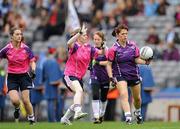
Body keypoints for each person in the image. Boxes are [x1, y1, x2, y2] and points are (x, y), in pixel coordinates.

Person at [107, 24, 152, 124]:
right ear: (117, 35)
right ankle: (128, 117)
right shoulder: (113, 49)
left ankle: (138, 113)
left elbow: (136, 59)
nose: (125, 36)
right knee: (124, 95)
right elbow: (109, 64)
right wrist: (111, 77)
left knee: (137, 98)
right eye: (123, 34)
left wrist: (146, 62)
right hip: (120, 75)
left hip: (133, 74)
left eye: (126, 34)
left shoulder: (133, 45)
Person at [60, 24, 104, 125]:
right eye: (84, 35)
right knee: (79, 91)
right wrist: (79, 32)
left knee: (79, 98)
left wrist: (104, 46)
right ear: (78, 36)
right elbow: (69, 42)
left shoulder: (89, 47)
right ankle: (77, 112)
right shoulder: (75, 46)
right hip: (69, 74)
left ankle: (65, 118)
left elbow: (102, 52)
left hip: (79, 77)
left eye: (86, 35)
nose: (86, 36)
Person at [0, 27, 36, 124]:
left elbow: (32, 61)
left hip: (24, 76)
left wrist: (33, 70)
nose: (19, 36)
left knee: (25, 100)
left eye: (20, 34)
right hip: (12, 77)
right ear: (11, 36)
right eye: (17, 34)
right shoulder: (6, 49)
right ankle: (17, 108)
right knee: (15, 101)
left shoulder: (26, 48)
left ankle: (31, 118)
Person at [90, 31, 109, 124]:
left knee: (104, 97)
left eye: (98, 39)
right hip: (94, 75)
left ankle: (102, 114)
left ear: (102, 40)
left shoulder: (107, 50)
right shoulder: (92, 49)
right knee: (95, 95)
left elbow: (109, 63)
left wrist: (98, 63)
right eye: (95, 39)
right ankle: (96, 116)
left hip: (105, 77)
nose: (96, 41)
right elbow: (88, 61)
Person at [42, 46, 62, 122]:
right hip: (53, 85)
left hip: (47, 83)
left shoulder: (45, 62)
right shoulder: (54, 62)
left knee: (49, 102)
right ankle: (52, 120)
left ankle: (50, 120)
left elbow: (43, 75)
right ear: (53, 52)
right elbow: (56, 76)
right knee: (52, 102)